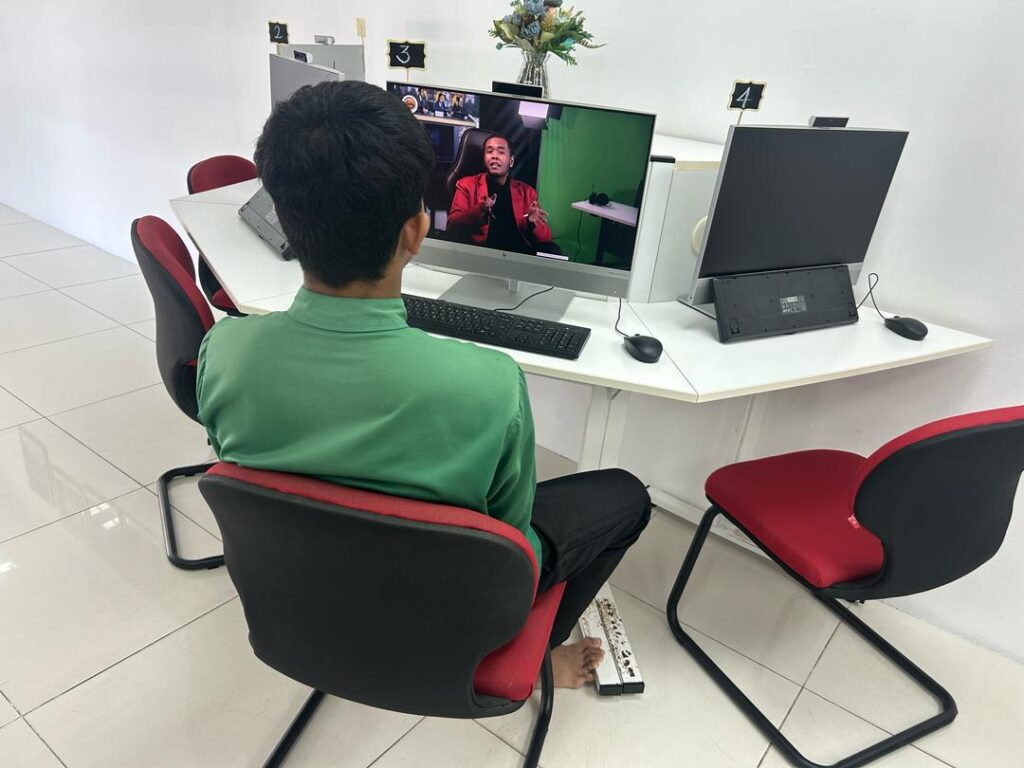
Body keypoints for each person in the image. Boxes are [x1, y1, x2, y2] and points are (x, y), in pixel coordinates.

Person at [196, 81, 650, 689]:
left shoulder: (224, 350)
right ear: (415, 232)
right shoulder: (489, 384)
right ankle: (538, 652)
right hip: (452, 606)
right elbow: (511, 537)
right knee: (624, 495)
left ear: (280, 215)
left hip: (302, 600)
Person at [447, 133, 554, 254]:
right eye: (489, 151)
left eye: (501, 152)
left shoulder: (527, 192)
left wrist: (531, 224)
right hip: (483, 253)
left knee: (552, 250)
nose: (494, 156)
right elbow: (452, 225)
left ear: (511, 161)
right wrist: (480, 210)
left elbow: (546, 239)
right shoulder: (466, 185)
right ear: (484, 159)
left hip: (517, 254)